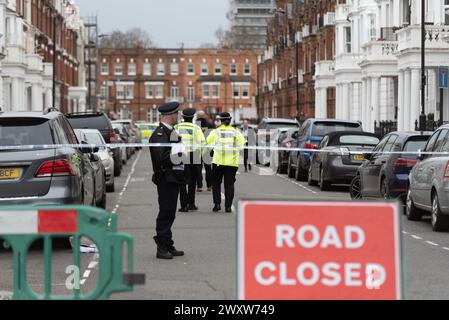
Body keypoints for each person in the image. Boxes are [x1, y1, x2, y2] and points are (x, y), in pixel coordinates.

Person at [149, 102, 186, 260]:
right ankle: (161, 246)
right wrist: (179, 155)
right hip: (165, 178)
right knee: (165, 212)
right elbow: (160, 158)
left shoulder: (170, 132)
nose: (178, 116)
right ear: (170, 115)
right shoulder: (159, 134)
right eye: (176, 114)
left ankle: (168, 243)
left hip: (173, 177)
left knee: (170, 212)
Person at [206, 112, 246, 213]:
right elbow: (242, 145)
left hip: (218, 162)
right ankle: (228, 206)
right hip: (231, 163)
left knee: (216, 183)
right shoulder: (236, 131)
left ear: (221, 120)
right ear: (230, 119)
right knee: (229, 185)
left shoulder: (216, 131)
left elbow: (208, 142)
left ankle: (217, 204)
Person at [175, 108, 205, 212]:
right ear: (192, 117)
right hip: (194, 155)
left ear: (183, 117)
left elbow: (172, 142)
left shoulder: (176, 127)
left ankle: (183, 205)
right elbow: (202, 142)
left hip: (181, 154)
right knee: (192, 180)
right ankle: (191, 204)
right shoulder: (196, 128)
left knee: (182, 181)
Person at [196, 110, 214, 192]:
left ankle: (199, 186)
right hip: (207, 149)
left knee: (198, 169)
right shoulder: (209, 124)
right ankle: (209, 186)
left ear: (198, 116)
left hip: (198, 149)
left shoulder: (195, 125)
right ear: (204, 116)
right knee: (208, 169)